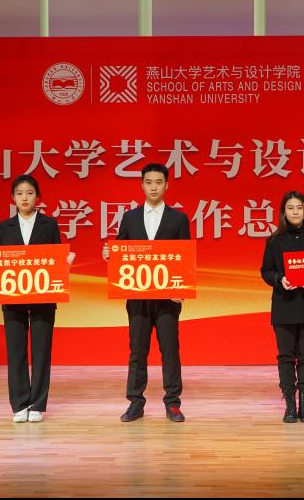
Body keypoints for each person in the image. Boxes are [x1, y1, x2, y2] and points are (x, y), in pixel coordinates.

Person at [102, 163, 191, 423]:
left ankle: (173, 403)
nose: (154, 187)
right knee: (137, 351)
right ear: (142, 185)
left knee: (170, 350)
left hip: (168, 297)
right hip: (138, 296)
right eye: (149, 182)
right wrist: (110, 254)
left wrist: (182, 290)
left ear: (167, 185)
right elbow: (121, 249)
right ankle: (135, 403)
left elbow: (184, 256)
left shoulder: (178, 219)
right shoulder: (130, 217)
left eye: (158, 182)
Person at [0, 174, 75, 423]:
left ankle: (37, 405)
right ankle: (19, 404)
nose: (25, 197)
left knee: (41, 352)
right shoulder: (5, 227)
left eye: (30, 193)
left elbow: (56, 260)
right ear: (13, 198)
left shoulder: (49, 224)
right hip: (13, 298)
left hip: (43, 296)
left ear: (38, 197)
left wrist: (65, 263)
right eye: (20, 193)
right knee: (16, 352)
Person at [259, 191, 304, 423]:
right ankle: (290, 405)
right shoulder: (274, 241)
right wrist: (279, 279)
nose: (295, 212)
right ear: (284, 212)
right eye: (290, 208)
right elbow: (266, 271)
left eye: (299, 208)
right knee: (285, 357)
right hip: (284, 305)